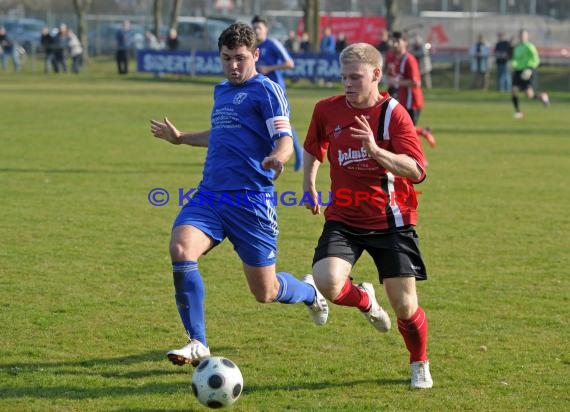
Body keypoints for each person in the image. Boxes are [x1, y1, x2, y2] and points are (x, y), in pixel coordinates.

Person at [149, 22, 328, 367]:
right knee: (180, 248)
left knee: (266, 292)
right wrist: (182, 137)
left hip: (251, 202)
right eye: (227, 58)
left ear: (256, 55)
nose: (233, 65)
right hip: (210, 196)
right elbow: (220, 135)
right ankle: (198, 342)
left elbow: (286, 137)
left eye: (241, 58)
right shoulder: (221, 91)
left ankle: (310, 292)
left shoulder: (267, 89)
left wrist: (279, 155)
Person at [302, 42, 433, 389]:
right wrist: (308, 183)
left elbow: (417, 169)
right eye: (344, 76)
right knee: (327, 280)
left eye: (355, 77)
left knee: (405, 308)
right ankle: (365, 300)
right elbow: (315, 147)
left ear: (376, 75)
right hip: (344, 217)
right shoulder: (326, 109)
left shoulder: (393, 114)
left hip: (391, 221)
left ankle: (419, 362)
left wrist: (375, 151)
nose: (348, 83)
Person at [251, 15, 303, 171]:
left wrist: (269, 68)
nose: (256, 30)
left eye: (259, 27)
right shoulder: (252, 46)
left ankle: (299, 154)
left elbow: (289, 63)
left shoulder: (272, 44)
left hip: (276, 93)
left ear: (266, 29)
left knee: (282, 125)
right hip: (258, 92)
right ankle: (265, 159)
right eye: (254, 27)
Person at [387, 31, 436, 149]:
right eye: (393, 41)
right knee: (404, 130)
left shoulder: (409, 59)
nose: (394, 44)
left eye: (397, 42)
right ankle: (419, 155)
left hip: (412, 102)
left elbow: (416, 82)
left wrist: (396, 82)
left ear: (405, 43)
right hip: (403, 100)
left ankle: (423, 133)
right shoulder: (397, 60)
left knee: (406, 131)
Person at [510, 29, 549, 119]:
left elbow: (536, 59)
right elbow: (515, 59)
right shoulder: (517, 47)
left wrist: (530, 69)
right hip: (518, 71)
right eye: (521, 35)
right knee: (514, 90)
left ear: (527, 36)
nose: (522, 37)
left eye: (524, 35)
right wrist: (513, 64)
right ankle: (518, 112)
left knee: (529, 95)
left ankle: (542, 96)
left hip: (528, 71)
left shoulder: (530, 46)